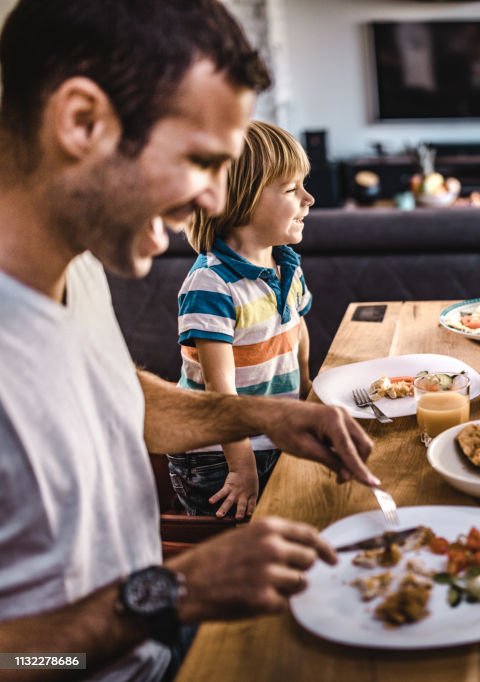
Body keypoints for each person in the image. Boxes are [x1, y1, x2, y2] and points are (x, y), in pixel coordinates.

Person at [0, 2, 379, 679]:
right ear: (81, 122)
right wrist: (175, 593)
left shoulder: (76, 264)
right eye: (200, 161)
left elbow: (111, 398)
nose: (213, 201)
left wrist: (263, 412)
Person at [171, 121, 316, 519]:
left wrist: (305, 391)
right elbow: (221, 390)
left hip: (271, 436)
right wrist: (241, 466)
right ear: (241, 200)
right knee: (236, 556)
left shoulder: (285, 263)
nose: (309, 198)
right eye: (291, 189)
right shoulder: (211, 283)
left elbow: (296, 329)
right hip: (218, 456)